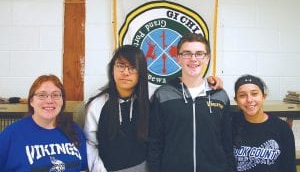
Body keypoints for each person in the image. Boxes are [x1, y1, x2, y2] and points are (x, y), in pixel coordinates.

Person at [84, 44, 223, 172]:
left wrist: (207, 82)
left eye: (132, 67)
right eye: (120, 66)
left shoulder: (153, 96)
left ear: (141, 72)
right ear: (112, 68)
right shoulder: (97, 104)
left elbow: (180, 86)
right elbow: (90, 144)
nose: (126, 72)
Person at [147, 33, 235, 172]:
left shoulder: (220, 96)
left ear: (207, 58)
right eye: (187, 53)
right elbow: (155, 143)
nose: (193, 59)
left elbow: (227, 142)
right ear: (178, 58)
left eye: (199, 53)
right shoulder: (163, 95)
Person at [0, 74, 88, 171]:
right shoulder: (12, 134)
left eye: (55, 95)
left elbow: (84, 167)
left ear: (62, 101)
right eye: (42, 95)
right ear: (31, 101)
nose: (49, 100)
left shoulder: (74, 129)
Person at [232, 74, 296, 172]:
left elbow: (289, 167)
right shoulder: (230, 125)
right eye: (242, 95)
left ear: (263, 97)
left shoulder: (281, 128)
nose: (249, 100)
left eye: (254, 94)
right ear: (236, 101)